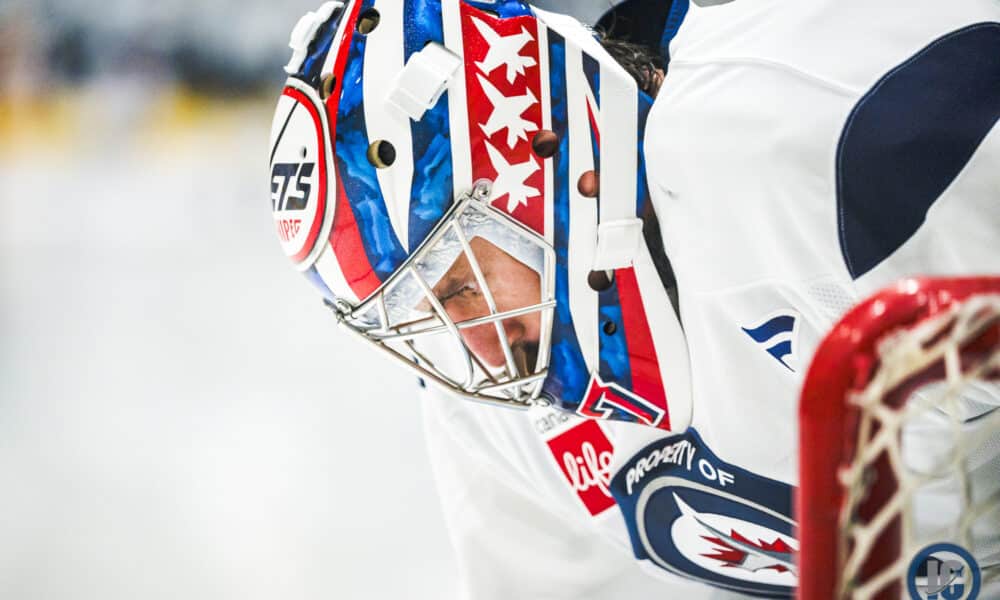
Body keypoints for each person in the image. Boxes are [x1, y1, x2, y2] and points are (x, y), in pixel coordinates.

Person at [267, 0, 999, 597]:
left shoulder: (819, 138)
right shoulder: (496, 417)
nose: (479, 348)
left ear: (548, 148)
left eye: (460, 284)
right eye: (427, 316)